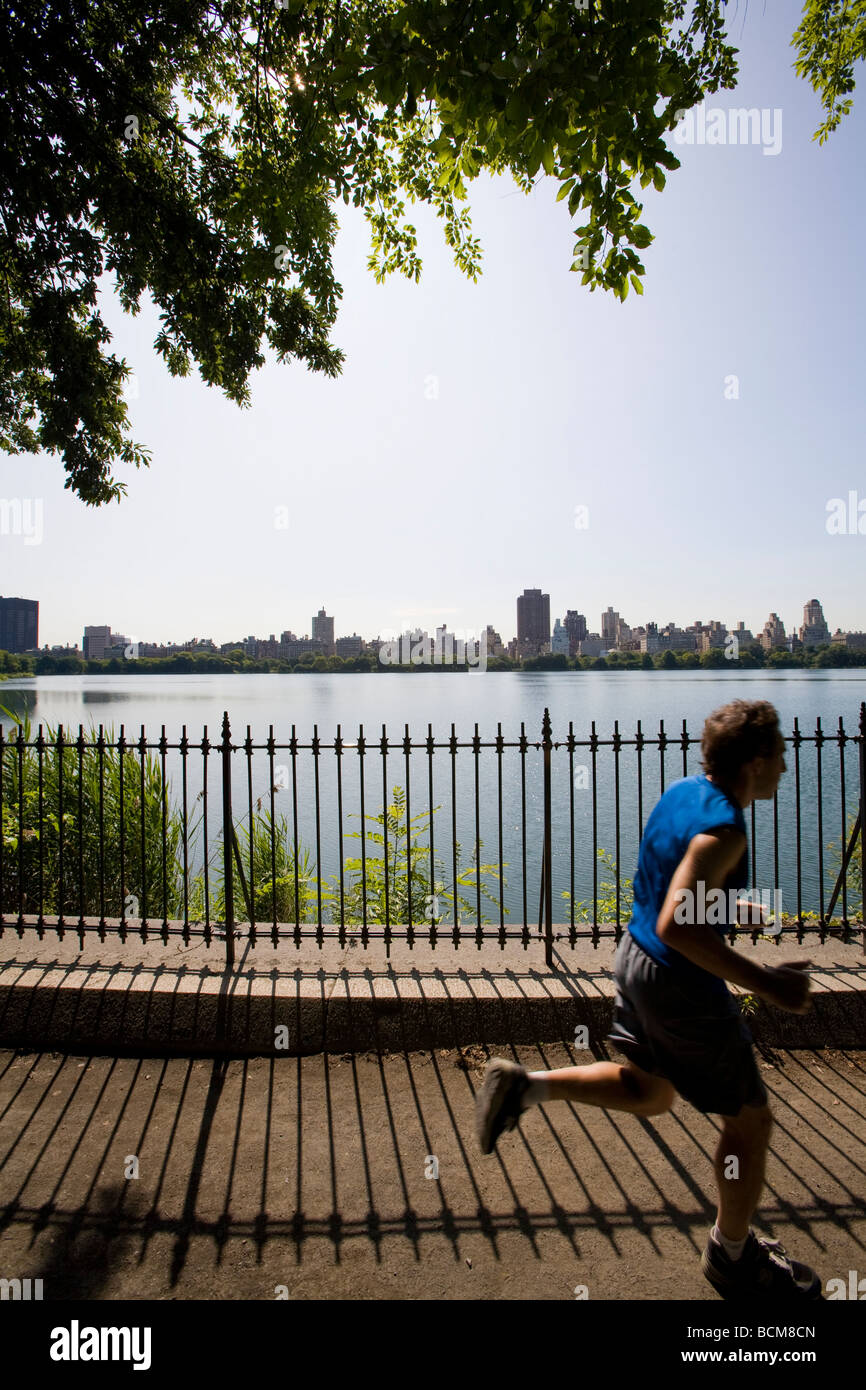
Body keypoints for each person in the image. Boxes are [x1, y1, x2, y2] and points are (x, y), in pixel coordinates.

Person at [475, 698, 821, 1300]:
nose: (786, 769)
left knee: (651, 1092)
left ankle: (526, 1086)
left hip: (633, 966)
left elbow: (663, 891)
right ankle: (734, 1256)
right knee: (750, 1122)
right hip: (678, 984)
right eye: (781, 757)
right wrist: (768, 983)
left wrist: (732, 909)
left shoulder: (683, 793)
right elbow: (678, 927)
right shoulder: (724, 829)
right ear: (758, 761)